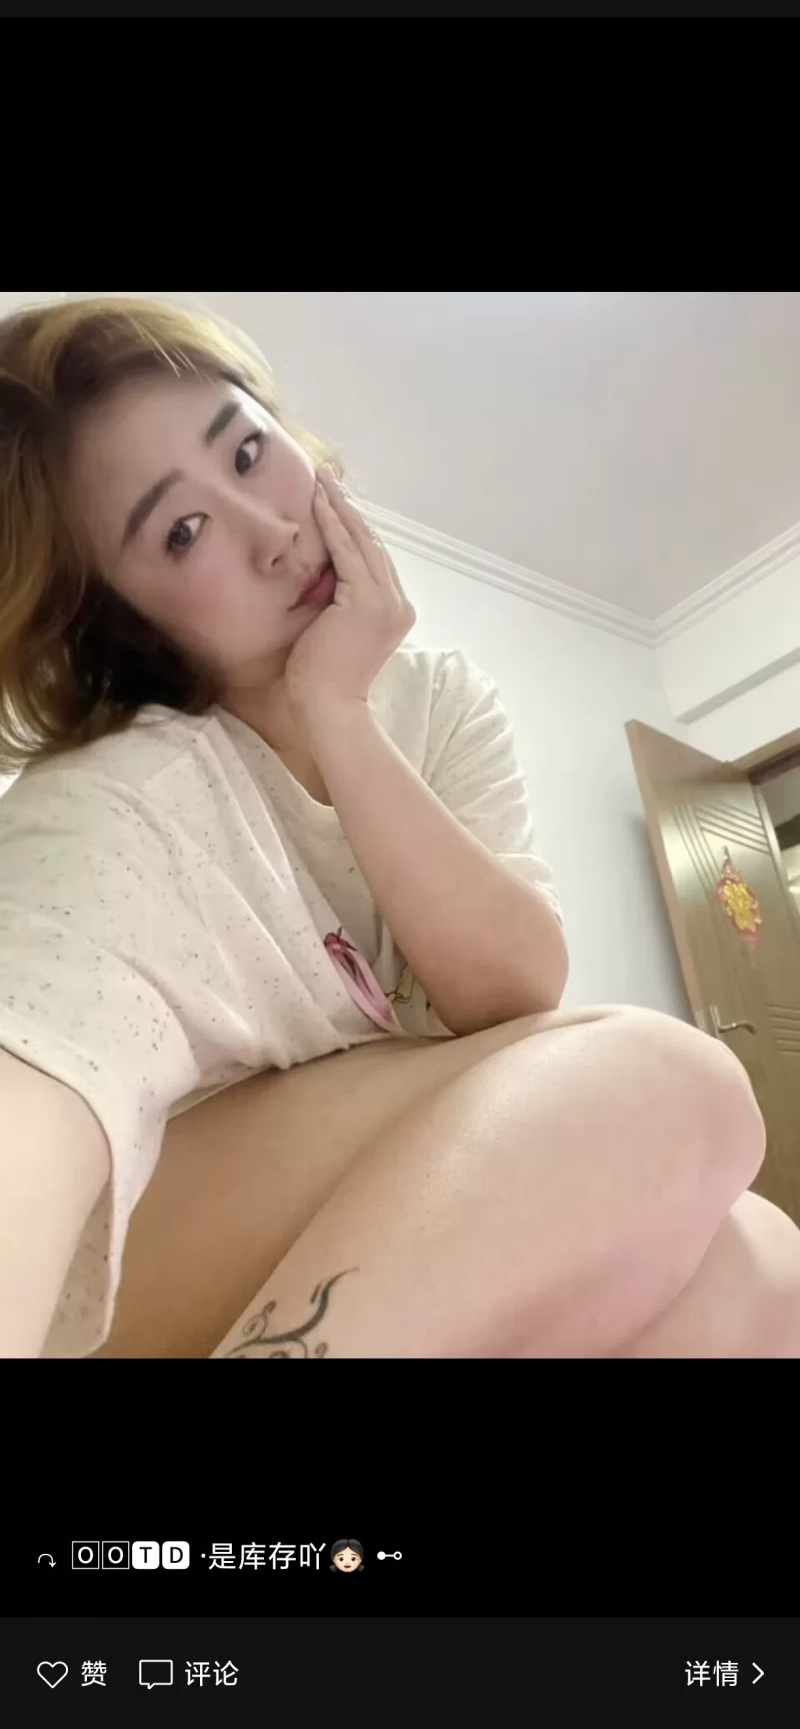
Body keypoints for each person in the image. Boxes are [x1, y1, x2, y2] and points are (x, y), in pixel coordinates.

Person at [0, 295, 798, 1361]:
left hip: (376, 1224)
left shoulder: (437, 703)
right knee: (674, 1084)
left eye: (247, 451)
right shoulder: (119, 798)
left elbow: (511, 989)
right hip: (140, 1268)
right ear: (123, 620)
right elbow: (32, 1074)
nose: (273, 534)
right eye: (182, 532)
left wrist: (340, 715)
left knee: (759, 1258)